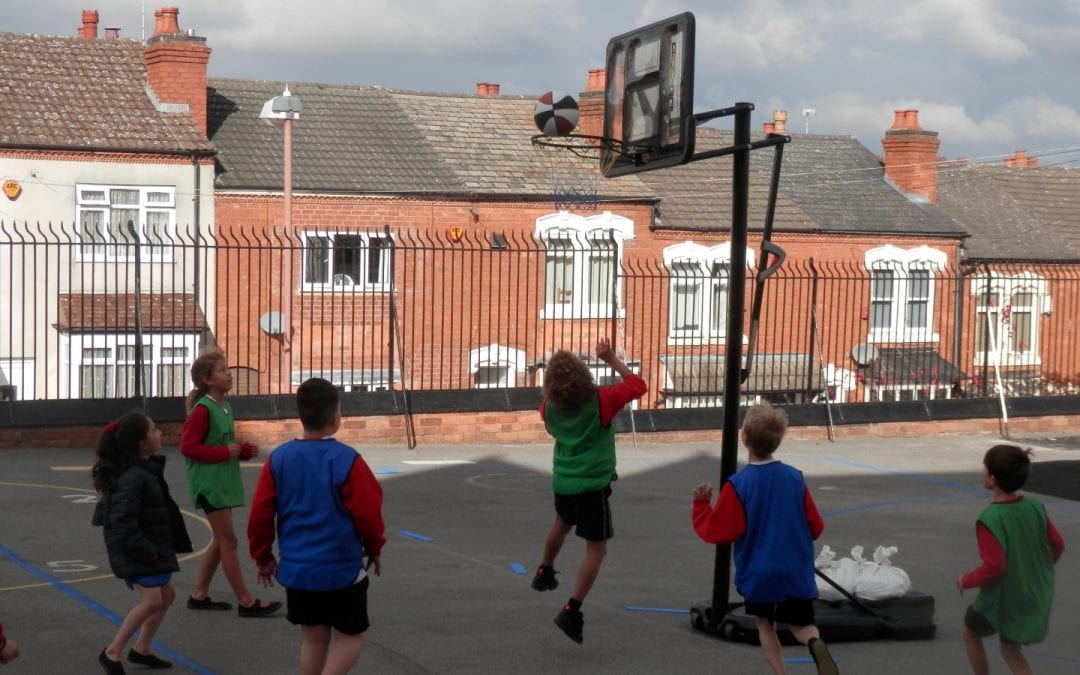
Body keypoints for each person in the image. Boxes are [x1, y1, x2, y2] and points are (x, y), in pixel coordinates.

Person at [248, 377, 386, 675]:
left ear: (300, 415)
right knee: (351, 637)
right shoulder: (347, 460)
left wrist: (263, 556)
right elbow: (369, 514)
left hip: (299, 570)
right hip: (341, 569)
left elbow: (260, 514)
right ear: (335, 418)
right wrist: (374, 548)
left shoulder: (279, 459)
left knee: (313, 639)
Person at [691, 402, 837, 675]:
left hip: (760, 571)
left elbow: (719, 531)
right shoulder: (794, 478)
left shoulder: (739, 484)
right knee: (801, 625)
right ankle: (815, 642)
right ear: (778, 440)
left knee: (764, 624)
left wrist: (701, 506)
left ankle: (780, 672)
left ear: (744, 438)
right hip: (794, 568)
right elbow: (815, 526)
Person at [530, 338, 647, 644]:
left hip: (564, 483)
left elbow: (554, 424)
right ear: (584, 375)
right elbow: (638, 385)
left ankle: (545, 569)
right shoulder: (603, 400)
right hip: (592, 486)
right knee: (596, 549)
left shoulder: (549, 410)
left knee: (562, 522)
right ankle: (572, 609)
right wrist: (611, 359)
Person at [180, 350, 281, 618]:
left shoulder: (225, 406)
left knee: (220, 540)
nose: (230, 373)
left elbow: (220, 442)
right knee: (230, 542)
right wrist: (226, 452)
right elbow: (188, 447)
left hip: (223, 481)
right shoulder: (203, 410)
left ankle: (199, 593)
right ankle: (246, 601)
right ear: (207, 379)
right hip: (209, 484)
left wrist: (242, 450)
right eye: (223, 370)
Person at [91, 411, 192, 674]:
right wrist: (148, 551)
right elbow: (122, 522)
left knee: (166, 595)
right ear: (141, 444)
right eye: (155, 430)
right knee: (151, 601)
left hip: (151, 546)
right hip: (140, 550)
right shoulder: (133, 477)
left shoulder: (143, 470)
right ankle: (112, 652)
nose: (160, 433)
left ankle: (142, 648)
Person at [957, 444, 1065, 675]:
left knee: (970, 631)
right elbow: (1057, 545)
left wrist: (966, 580)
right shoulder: (1035, 507)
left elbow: (995, 567)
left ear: (992, 479)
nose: (982, 471)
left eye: (984, 467)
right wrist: (1039, 568)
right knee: (1010, 650)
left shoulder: (990, 518)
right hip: (1032, 593)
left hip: (1002, 598)